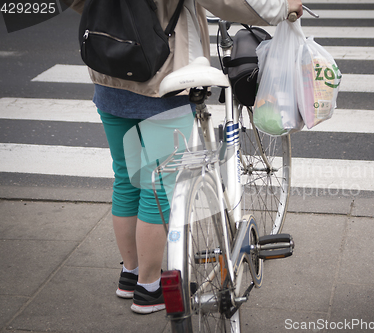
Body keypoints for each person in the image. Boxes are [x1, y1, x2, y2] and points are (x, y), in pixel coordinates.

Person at [66, 0, 303, 314]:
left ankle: (132, 274)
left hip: (108, 68)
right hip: (160, 74)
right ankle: (149, 289)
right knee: (159, 185)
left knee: (126, 177)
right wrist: (280, 7)